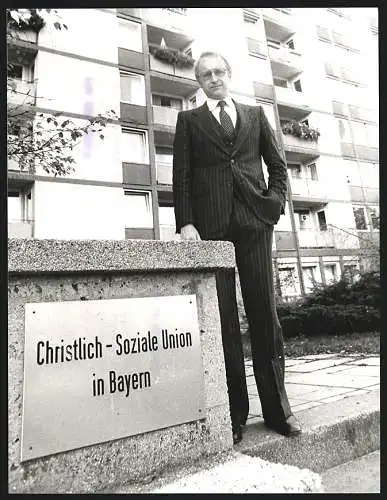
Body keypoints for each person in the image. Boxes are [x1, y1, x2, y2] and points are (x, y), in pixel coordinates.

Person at [172, 51, 302, 444]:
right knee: (225, 320)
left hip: (255, 223)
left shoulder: (254, 114)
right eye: (206, 74)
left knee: (265, 315)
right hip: (212, 229)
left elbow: (277, 166)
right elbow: (182, 175)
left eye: (219, 71)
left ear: (229, 75)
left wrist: (274, 205)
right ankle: (235, 414)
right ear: (199, 82)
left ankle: (279, 411)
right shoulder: (189, 121)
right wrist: (187, 223)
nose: (213, 78)